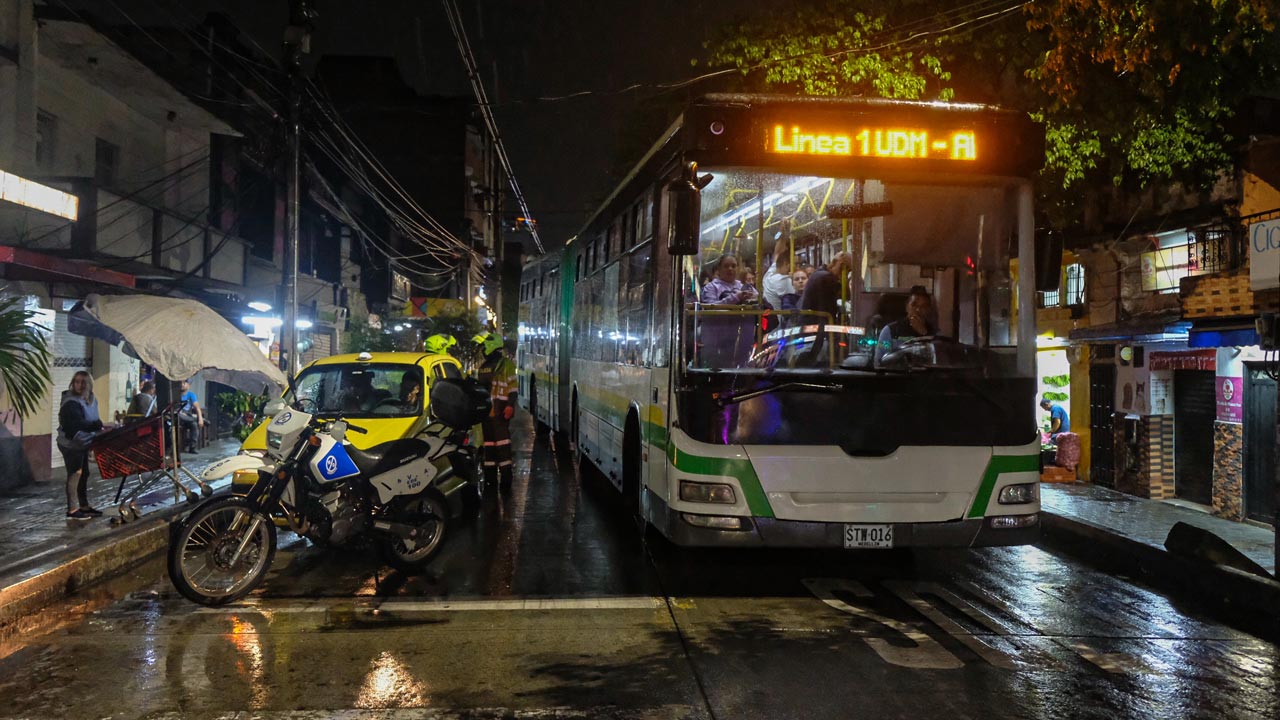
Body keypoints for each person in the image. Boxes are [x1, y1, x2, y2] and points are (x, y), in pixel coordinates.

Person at [57, 371, 105, 521]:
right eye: (77, 382)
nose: (79, 385)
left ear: (89, 384)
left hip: (84, 442)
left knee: (84, 474)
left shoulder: (91, 399)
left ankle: (83, 506)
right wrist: (94, 426)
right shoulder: (70, 402)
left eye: (83, 382)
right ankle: (72, 509)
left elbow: (93, 418)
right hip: (71, 443)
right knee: (75, 473)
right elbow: (75, 424)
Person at [473, 331, 517, 487]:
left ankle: (506, 480)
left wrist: (510, 405)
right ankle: (490, 480)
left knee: (503, 446)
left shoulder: (506, 365)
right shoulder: (483, 367)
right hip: (487, 414)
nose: (482, 350)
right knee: (489, 447)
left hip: (500, 412)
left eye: (484, 347)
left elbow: (512, 388)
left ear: (491, 346)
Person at [876, 286, 939, 363]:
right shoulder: (889, 331)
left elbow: (936, 359)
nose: (918, 309)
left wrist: (924, 334)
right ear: (907, 307)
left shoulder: (935, 333)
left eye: (923, 306)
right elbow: (880, 361)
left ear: (928, 310)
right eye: (914, 305)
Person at [799, 252, 853, 320]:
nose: (845, 272)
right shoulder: (827, 278)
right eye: (845, 268)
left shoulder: (819, 273)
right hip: (816, 323)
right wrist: (844, 279)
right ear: (835, 263)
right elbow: (846, 295)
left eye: (849, 270)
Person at [761, 242, 795, 309]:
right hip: (779, 317)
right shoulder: (784, 280)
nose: (797, 267)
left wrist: (782, 236)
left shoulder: (768, 275)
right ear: (787, 265)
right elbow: (796, 297)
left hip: (767, 316)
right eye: (795, 264)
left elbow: (777, 253)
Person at [177, 380, 205, 454]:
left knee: (194, 425)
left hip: (187, 418)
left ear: (188, 385)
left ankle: (192, 447)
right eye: (181, 383)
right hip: (178, 416)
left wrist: (201, 418)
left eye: (184, 383)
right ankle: (194, 419)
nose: (182, 385)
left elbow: (197, 407)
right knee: (182, 416)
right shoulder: (175, 395)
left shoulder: (191, 395)